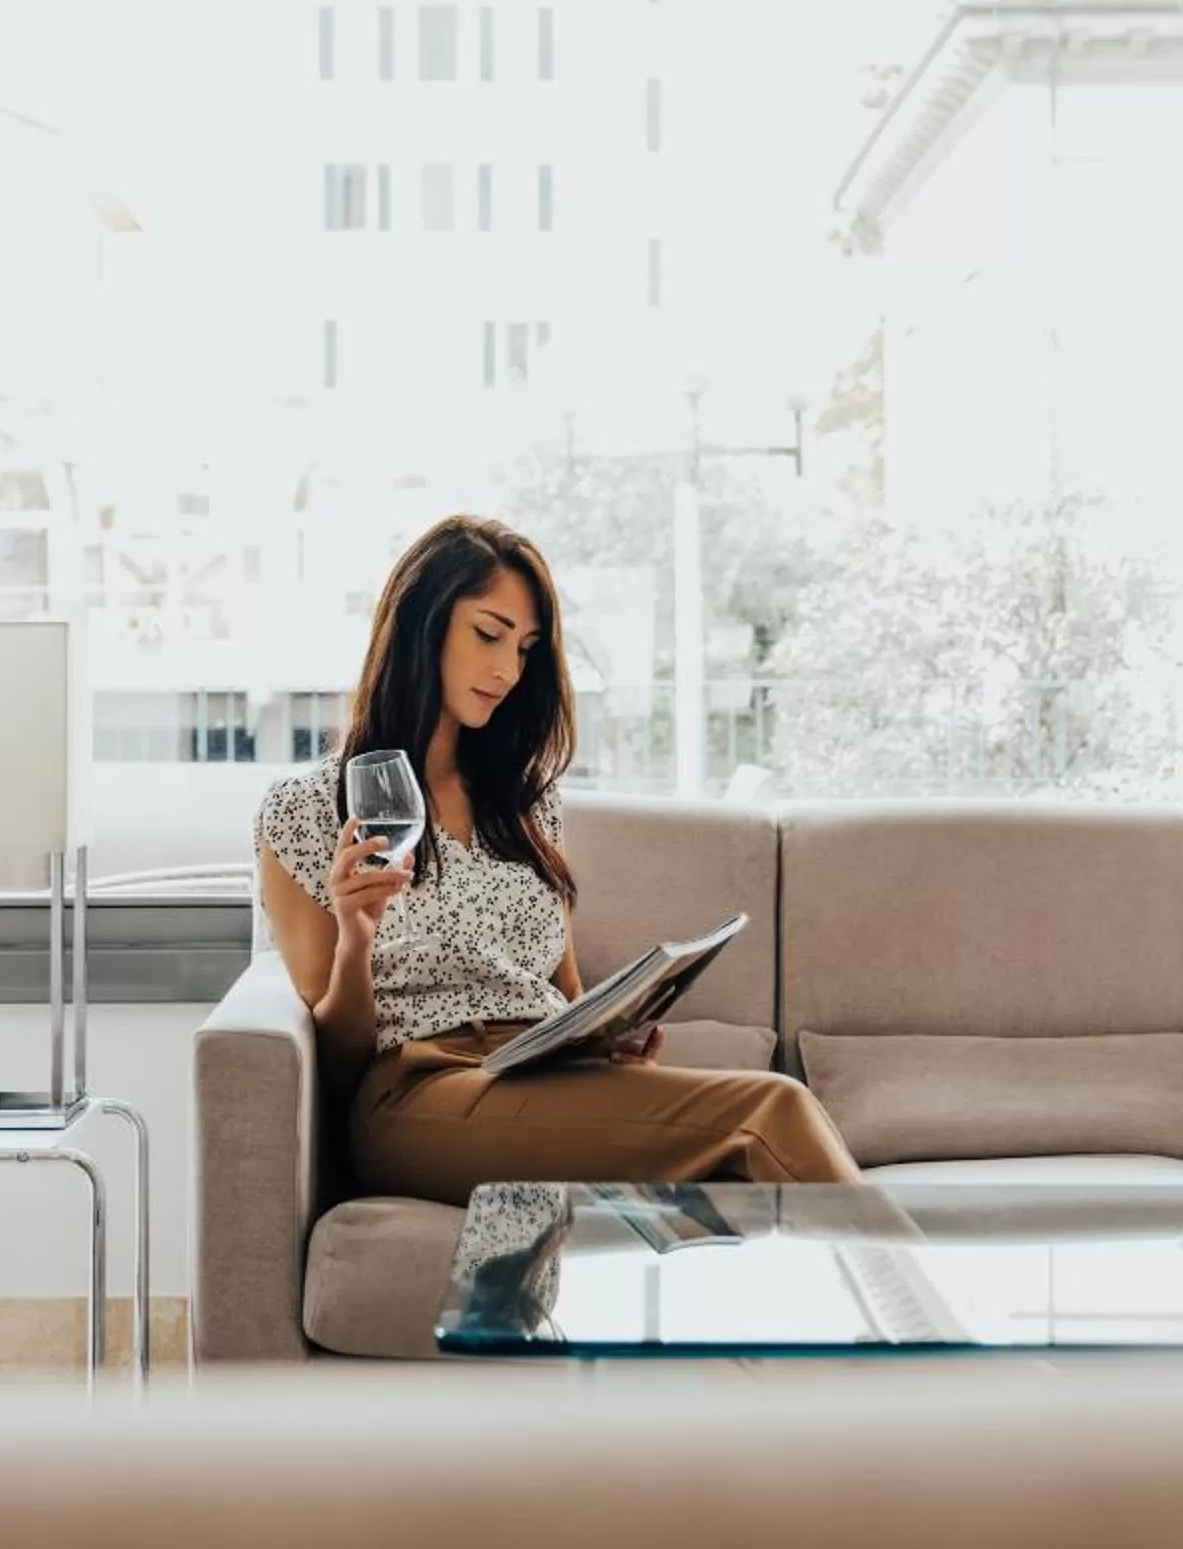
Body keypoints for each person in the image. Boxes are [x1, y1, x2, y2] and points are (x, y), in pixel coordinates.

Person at [252, 514, 861, 1206]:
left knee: (743, 1190)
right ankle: (924, 1313)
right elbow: (334, 1068)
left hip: (545, 1074)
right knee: (770, 1113)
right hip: (418, 1093)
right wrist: (356, 941)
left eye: (526, 648)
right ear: (421, 624)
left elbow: (566, 994)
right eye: (488, 634)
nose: (508, 671)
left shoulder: (524, 802)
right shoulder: (303, 812)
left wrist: (606, 1041)